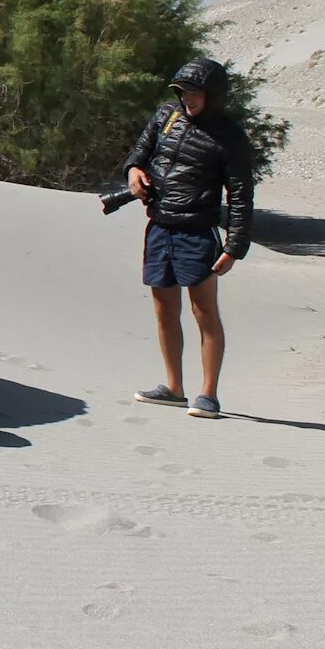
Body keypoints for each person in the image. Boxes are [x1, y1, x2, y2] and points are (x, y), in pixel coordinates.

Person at [125, 57, 255, 419]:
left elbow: (242, 196)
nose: (188, 100)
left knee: (204, 313)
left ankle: (208, 395)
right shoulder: (166, 116)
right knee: (165, 311)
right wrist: (134, 172)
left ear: (213, 95)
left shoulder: (230, 136)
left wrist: (234, 247)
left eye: (195, 93)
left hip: (198, 232)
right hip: (160, 227)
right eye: (183, 93)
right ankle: (173, 388)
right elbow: (139, 153)